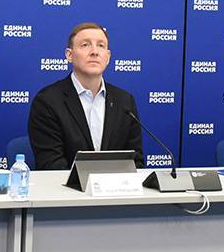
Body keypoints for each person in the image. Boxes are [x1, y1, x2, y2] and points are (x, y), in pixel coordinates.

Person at [28, 22, 144, 171]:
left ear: (108, 57)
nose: (94, 52)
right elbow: (51, 165)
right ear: (69, 55)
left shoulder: (124, 101)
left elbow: (135, 163)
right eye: (85, 45)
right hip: (66, 185)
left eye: (101, 45)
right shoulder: (47, 101)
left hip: (116, 186)